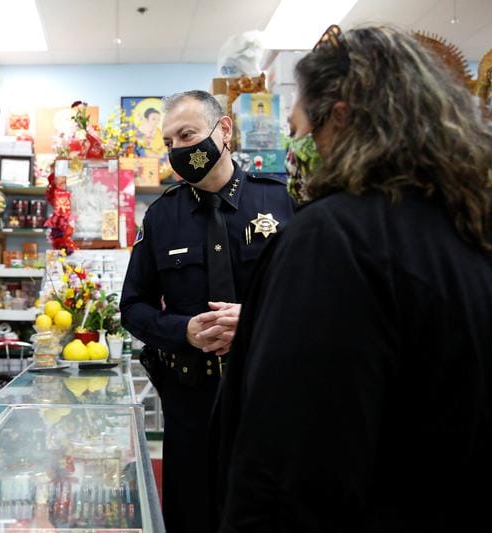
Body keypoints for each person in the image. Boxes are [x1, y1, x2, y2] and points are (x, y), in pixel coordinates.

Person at [209, 25, 492, 531]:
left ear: (340, 119)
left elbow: (290, 467)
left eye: (301, 131)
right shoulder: (469, 229)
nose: (294, 151)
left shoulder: (332, 238)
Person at [120, 89, 295, 532]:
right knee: (191, 516)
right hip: (190, 403)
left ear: (225, 130)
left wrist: (255, 321)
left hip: (269, 396)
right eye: (169, 143)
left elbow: (316, 298)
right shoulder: (161, 218)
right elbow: (132, 307)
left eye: (187, 134)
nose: (179, 150)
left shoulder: (282, 202)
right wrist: (184, 331)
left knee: (265, 513)